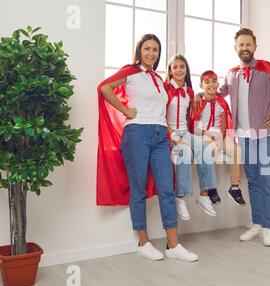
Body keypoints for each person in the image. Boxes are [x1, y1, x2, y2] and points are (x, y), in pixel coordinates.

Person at [196, 28, 270, 247]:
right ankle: (256, 224)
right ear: (236, 48)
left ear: (255, 47)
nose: (245, 48)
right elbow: (218, 94)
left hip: (266, 135)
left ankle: (268, 228)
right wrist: (200, 94)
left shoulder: (266, 70)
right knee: (254, 182)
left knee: (267, 180)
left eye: (248, 44)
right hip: (244, 137)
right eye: (241, 45)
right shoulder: (232, 74)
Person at [97, 34, 198, 262]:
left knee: (167, 189)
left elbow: (163, 111)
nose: (151, 53)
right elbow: (104, 87)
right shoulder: (130, 72)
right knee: (139, 189)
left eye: (155, 49)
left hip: (161, 135)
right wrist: (125, 109)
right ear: (139, 51)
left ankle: (174, 246)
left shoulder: (159, 81)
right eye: (147, 49)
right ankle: (143, 242)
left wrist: (172, 134)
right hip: (137, 134)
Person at [164, 55, 218, 219]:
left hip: (186, 132)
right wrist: (173, 135)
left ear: (186, 70)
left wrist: (198, 95)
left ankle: (204, 195)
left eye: (182, 66)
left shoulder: (189, 91)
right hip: (169, 133)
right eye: (175, 67)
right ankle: (179, 199)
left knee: (205, 148)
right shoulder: (165, 89)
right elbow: (160, 115)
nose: (179, 70)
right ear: (170, 70)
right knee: (185, 153)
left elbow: (208, 96)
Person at [191, 70, 247, 207]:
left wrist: (221, 137)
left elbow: (223, 124)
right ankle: (211, 187)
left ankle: (234, 188)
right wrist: (210, 135)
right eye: (207, 82)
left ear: (217, 83)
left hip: (219, 136)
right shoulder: (198, 102)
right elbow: (194, 129)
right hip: (203, 136)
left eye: (214, 81)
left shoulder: (221, 103)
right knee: (209, 150)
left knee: (236, 150)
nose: (211, 84)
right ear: (201, 85)